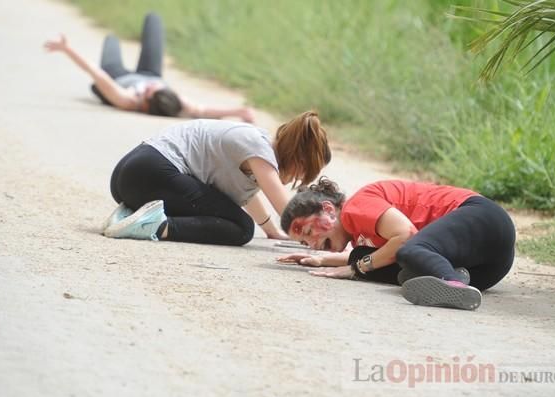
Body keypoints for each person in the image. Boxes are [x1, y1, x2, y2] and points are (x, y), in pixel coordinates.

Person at [277, 178, 516, 311]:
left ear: (328, 209)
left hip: (484, 219)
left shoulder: (355, 207)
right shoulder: (359, 232)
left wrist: (357, 268)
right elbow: (380, 254)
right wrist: (323, 260)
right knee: (372, 259)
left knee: (404, 253)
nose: (312, 243)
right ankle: (454, 279)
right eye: (305, 242)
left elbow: (406, 236)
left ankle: (453, 284)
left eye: (308, 231)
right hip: (488, 268)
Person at [102, 111, 331, 246]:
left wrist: (272, 231)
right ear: (300, 161)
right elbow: (291, 213)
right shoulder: (258, 149)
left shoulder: (256, 147)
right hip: (152, 171)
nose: (298, 178)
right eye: (304, 173)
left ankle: (133, 213)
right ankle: (154, 225)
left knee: (229, 215)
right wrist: (322, 237)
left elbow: (241, 198)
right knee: (241, 228)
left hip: (132, 175)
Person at [44, 12, 254, 121]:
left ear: (144, 103)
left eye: (149, 90)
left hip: (116, 76)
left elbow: (95, 73)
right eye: (156, 87)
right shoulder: (173, 102)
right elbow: (203, 111)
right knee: (153, 19)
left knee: (111, 40)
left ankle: (113, 39)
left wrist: (66, 49)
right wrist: (240, 111)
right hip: (148, 71)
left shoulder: (126, 100)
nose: (148, 86)